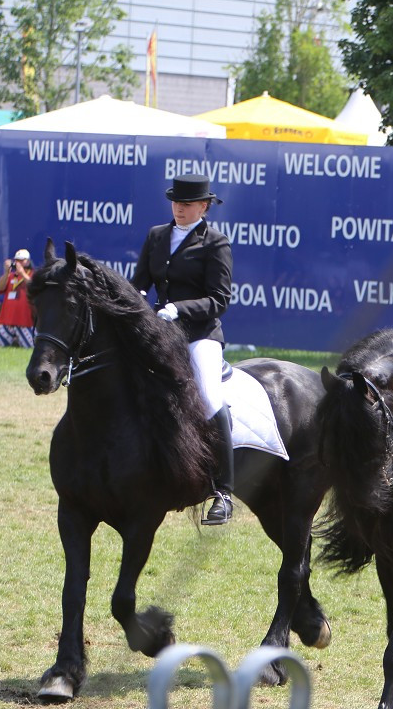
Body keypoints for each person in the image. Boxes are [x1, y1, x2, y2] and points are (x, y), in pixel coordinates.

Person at [131, 174, 235, 525]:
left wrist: (179, 309)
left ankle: (223, 491)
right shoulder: (156, 236)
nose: (179, 208)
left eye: (187, 203)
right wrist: (135, 307)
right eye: (176, 202)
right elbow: (139, 285)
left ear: (203, 207)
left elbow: (219, 300)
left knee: (206, 395)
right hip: (160, 332)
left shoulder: (215, 243)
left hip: (199, 334)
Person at [0, 249, 35, 347]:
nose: (18, 262)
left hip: (25, 322)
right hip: (5, 321)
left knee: (30, 350)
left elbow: (33, 286)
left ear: (28, 261)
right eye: (17, 260)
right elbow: (0, 287)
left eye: (21, 260)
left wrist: (22, 273)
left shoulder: (33, 274)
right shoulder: (11, 276)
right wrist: (6, 273)